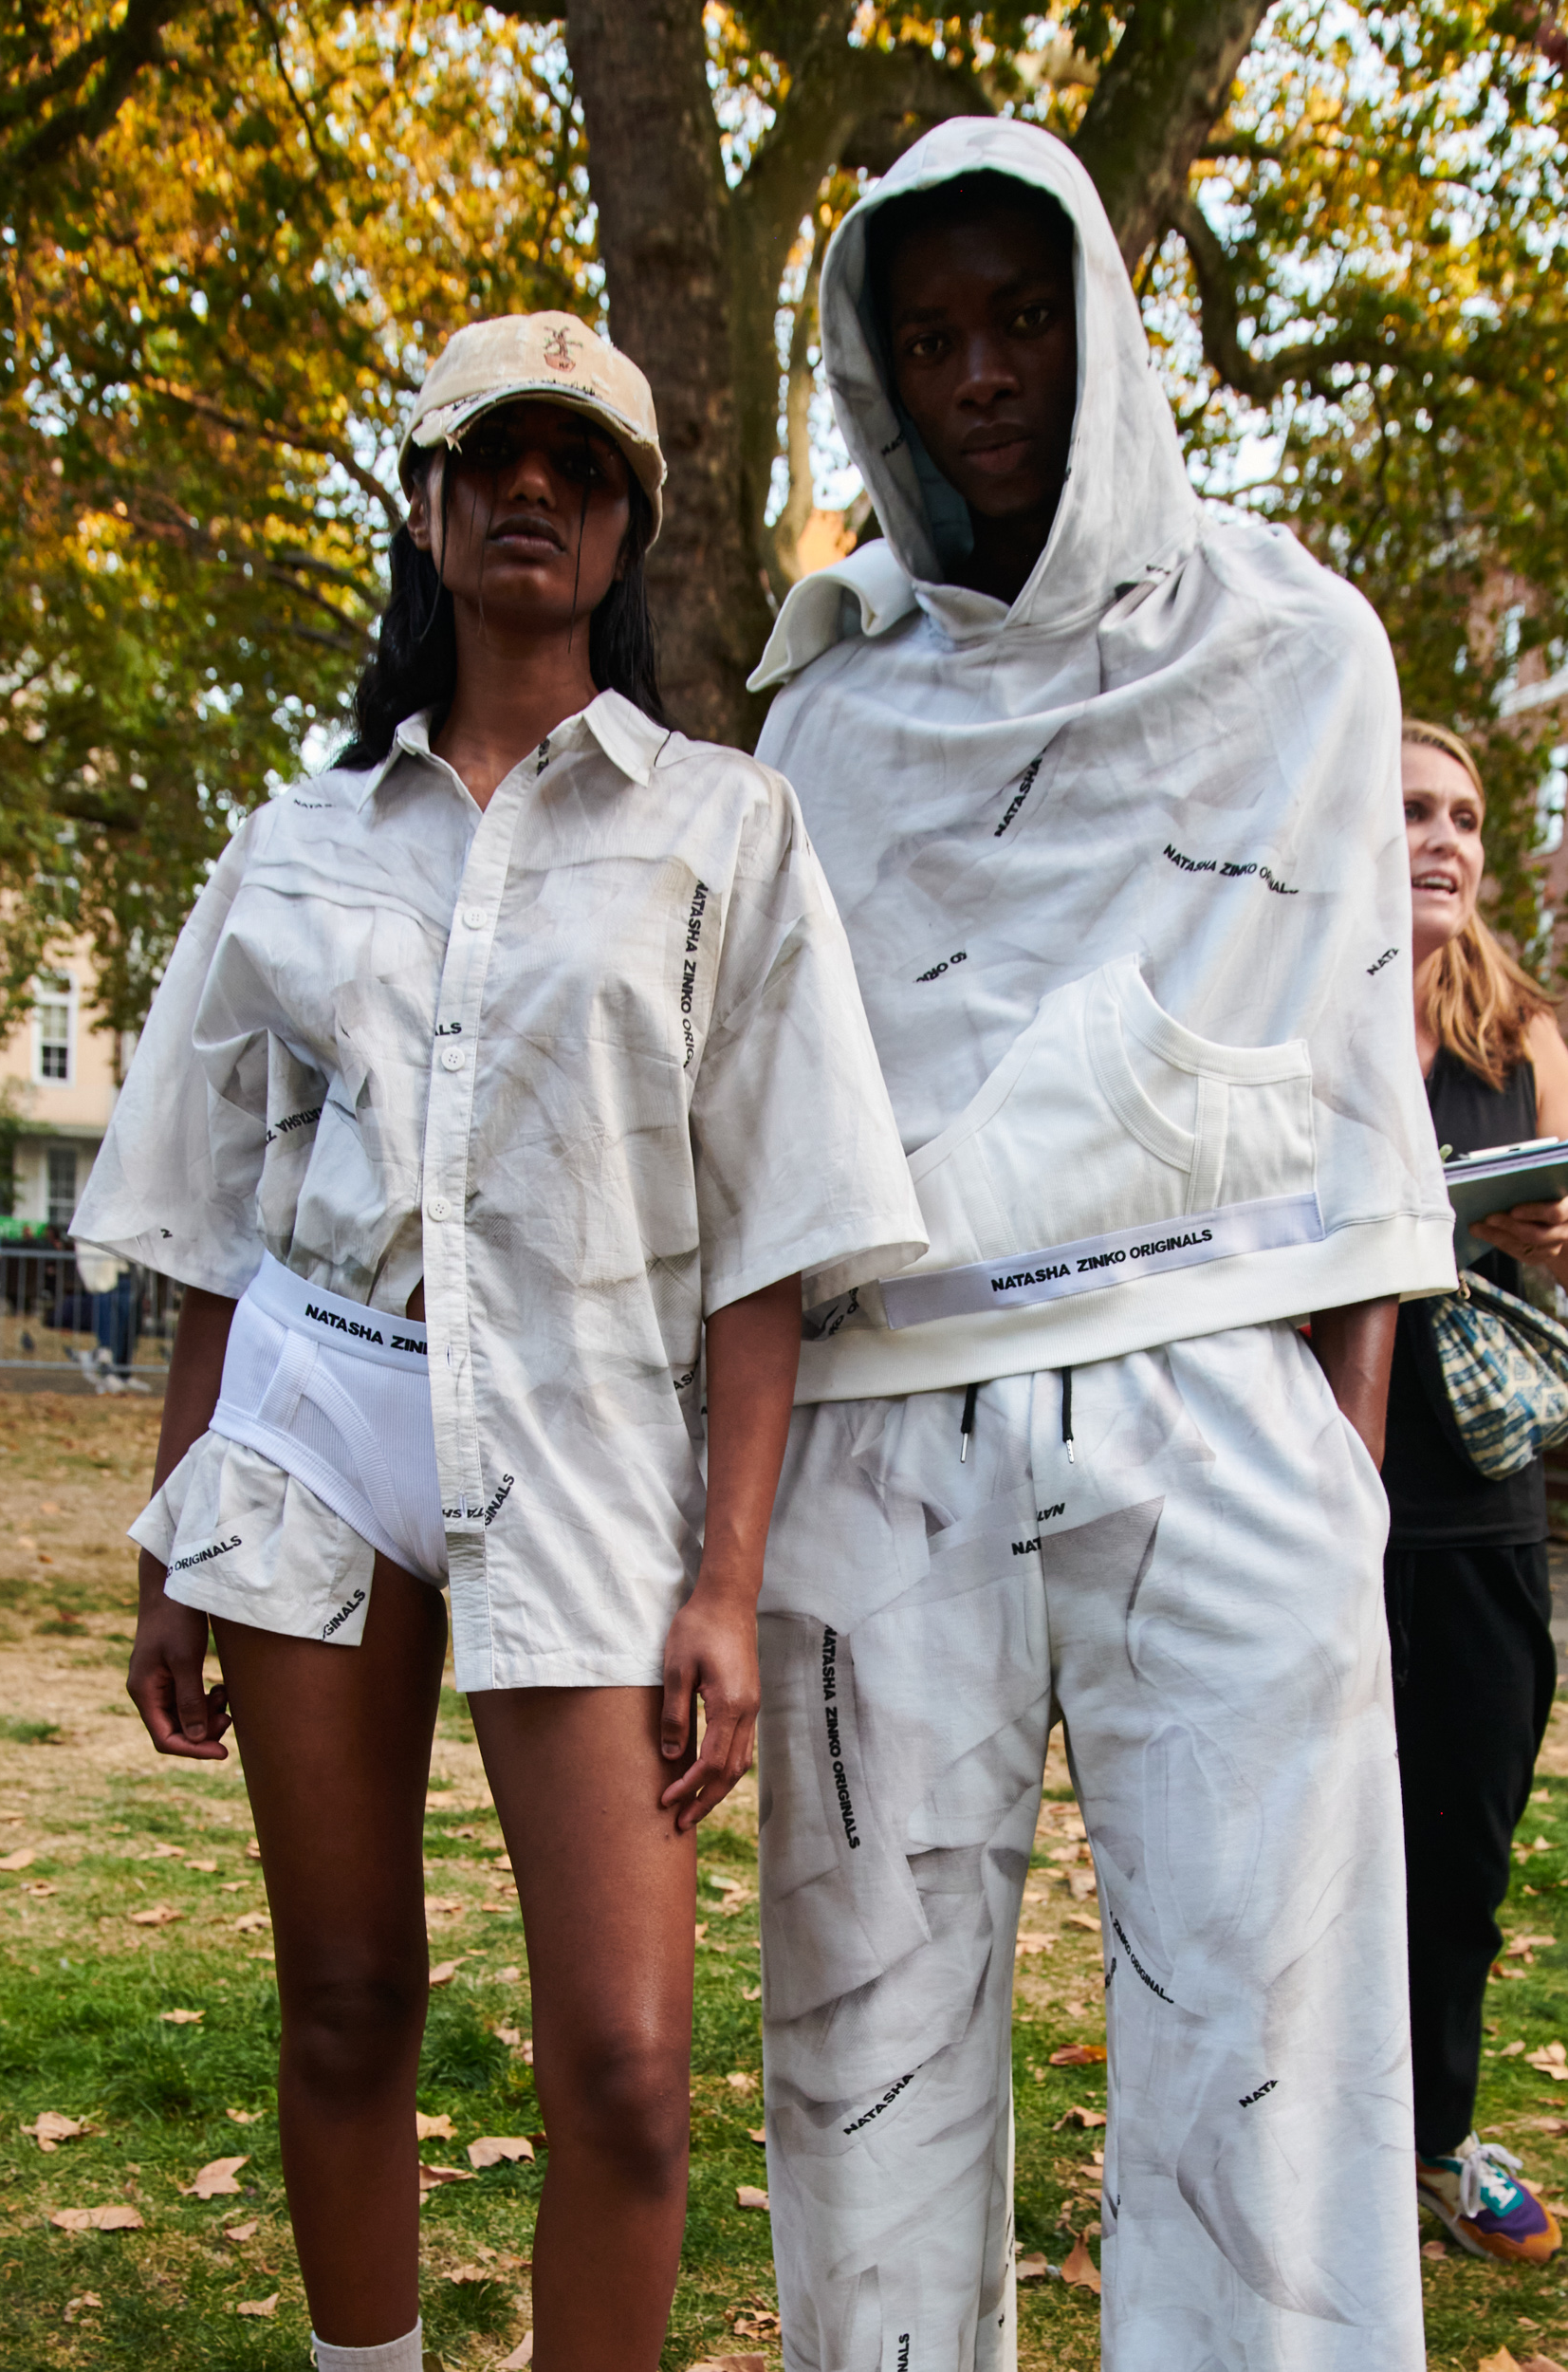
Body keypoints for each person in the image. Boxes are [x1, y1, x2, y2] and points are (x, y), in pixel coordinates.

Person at [71, 312, 925, 2372]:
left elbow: (769, 1238)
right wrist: (178, 1523)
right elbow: (209, 1209)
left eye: (581, 463)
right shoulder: (300, 838)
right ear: (432, 504)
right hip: (319, 1407)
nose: (533, 489)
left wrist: (724, 1578)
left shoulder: (725, 829)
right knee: (350, 1987)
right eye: (492, 456)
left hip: (585, 1429)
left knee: (626, 2060)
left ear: (626, 522)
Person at [747, 120, 1456, 2371]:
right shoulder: (826, 719)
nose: (981, 375)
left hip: (1220, 1393)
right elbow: (778, 1147)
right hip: (885, 1422)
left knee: (1269, 2027)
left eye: (1023, 315)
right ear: (876, 364)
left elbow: (1361, 1103)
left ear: (1106, 322)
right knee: (869, 2039)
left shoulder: (1306, 651)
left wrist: (1336, 1476)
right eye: (930, 332)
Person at [1383, 717, 1568, 2266]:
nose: (1441, 838)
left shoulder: (1524, 1032)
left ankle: (1436, 2144)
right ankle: (1312, 2141)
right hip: (1327, 1496)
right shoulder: (1310, 1005)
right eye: (1407, 811)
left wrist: (1546, 1242)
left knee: (1464, 1847)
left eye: (1462, 815)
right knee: (1312, 1844)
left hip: (1483, 1506)